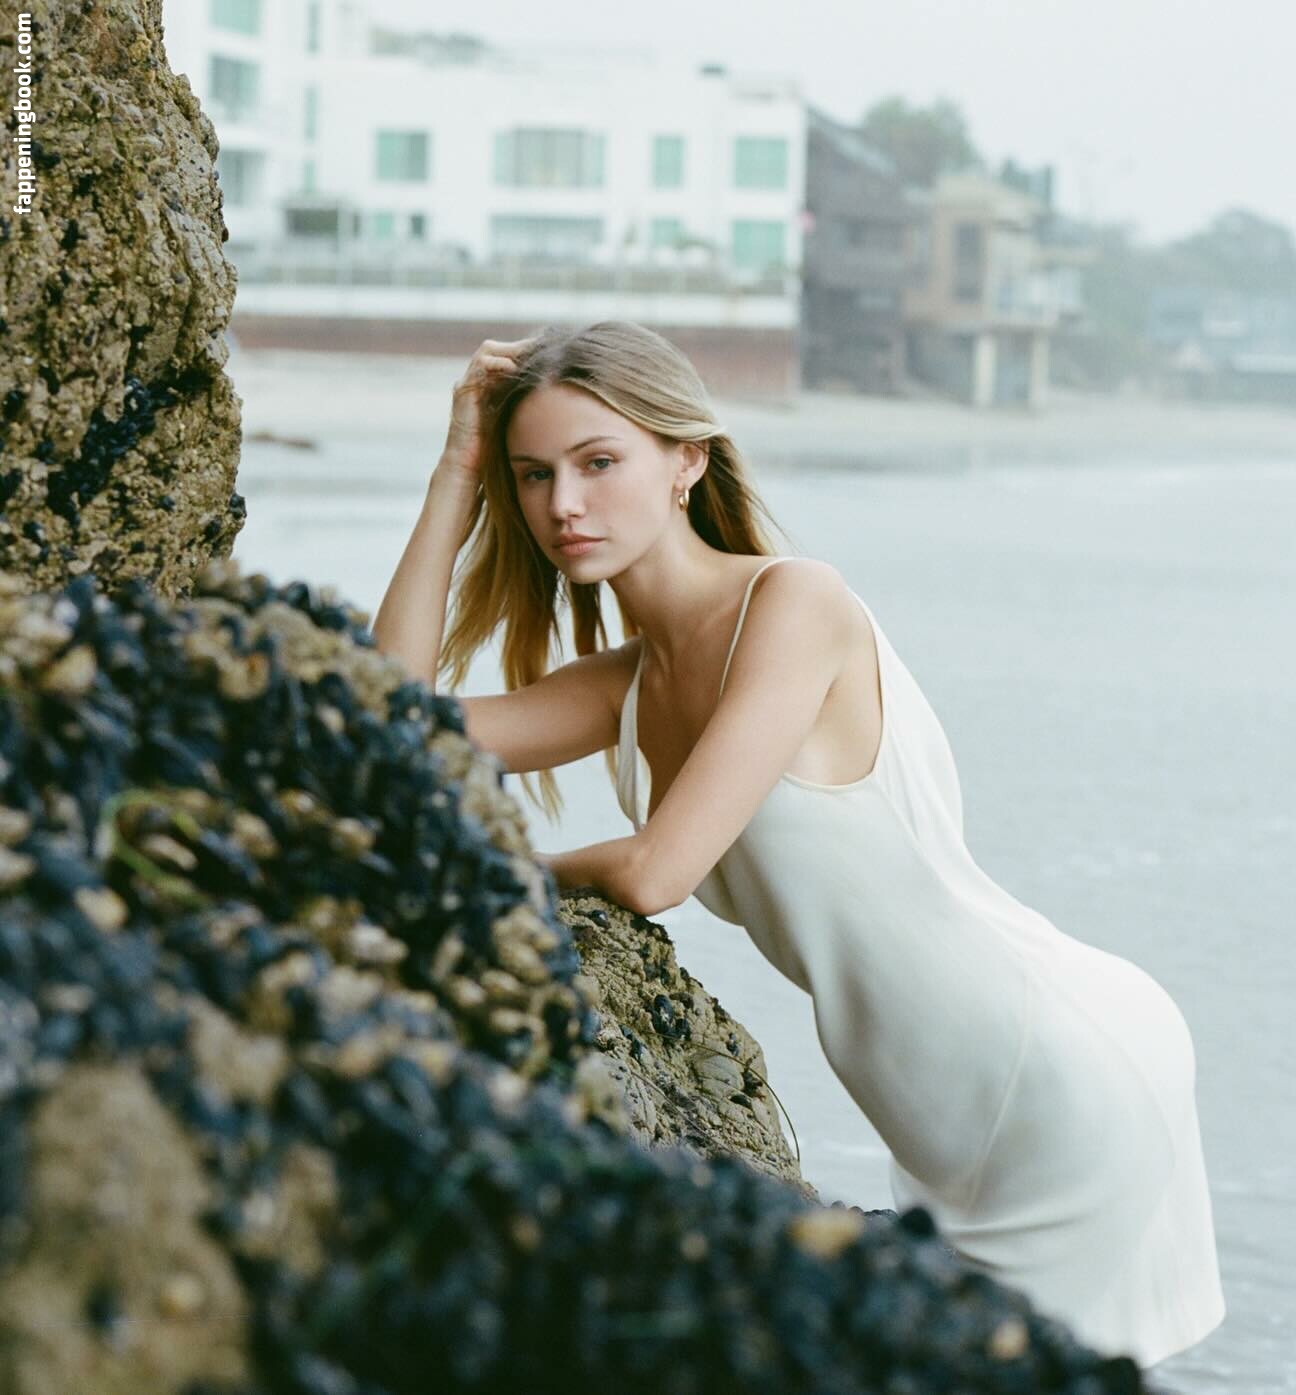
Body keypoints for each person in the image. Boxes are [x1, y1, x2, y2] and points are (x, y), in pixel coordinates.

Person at [370, 320, 1227, 1370]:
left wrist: (486, 872)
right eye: (533, 474)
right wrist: (454, 477)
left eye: (599, 462)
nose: (564, 505)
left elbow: (655, 871)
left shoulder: (796, 604)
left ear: (687, 460)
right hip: (938, 1111)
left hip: (1049, 1070)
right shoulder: (622, 686)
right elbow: (381, 722)